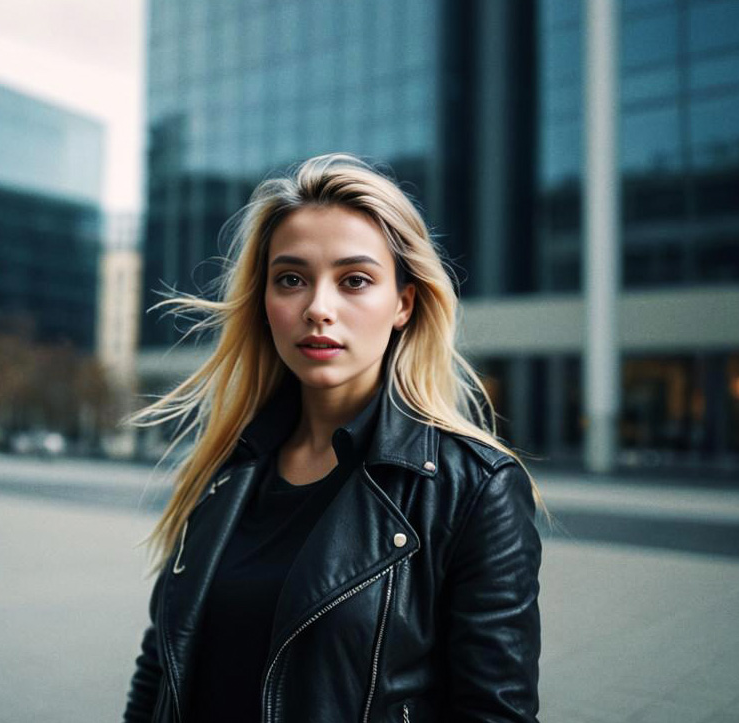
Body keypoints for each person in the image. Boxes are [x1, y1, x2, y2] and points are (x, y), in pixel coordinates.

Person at [123, 154, 543, 723]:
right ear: (264, 301)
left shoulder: (474, 489)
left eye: (355, 281)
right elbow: (158, 675)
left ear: (403, 303)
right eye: (291, 279)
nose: (318, 309)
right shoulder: (224, 467)